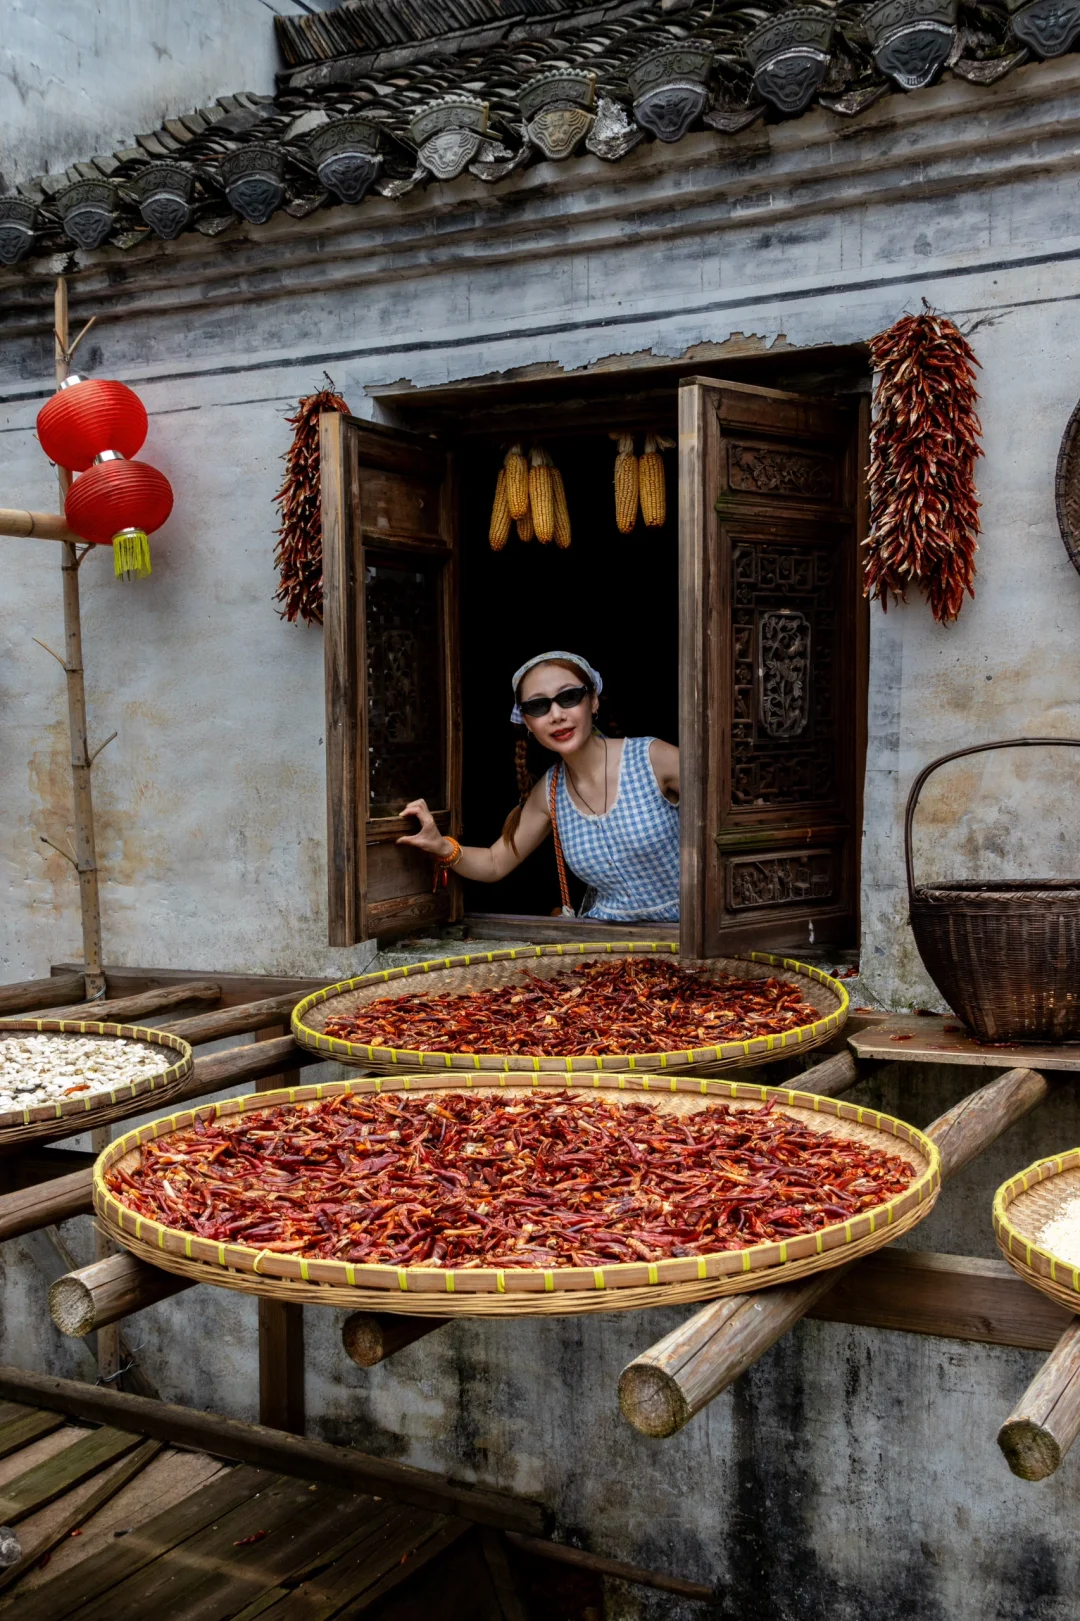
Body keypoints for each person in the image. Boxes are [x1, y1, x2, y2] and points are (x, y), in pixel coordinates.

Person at [398, 651, 680, 922]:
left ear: (593, 700)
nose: (556, 715)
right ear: (527, 723)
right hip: (608, 946)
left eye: (569, 697)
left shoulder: (653, 759)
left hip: (688, 935)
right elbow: (496, 862)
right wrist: (441, 845)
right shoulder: (550, 792)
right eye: (538, 706)